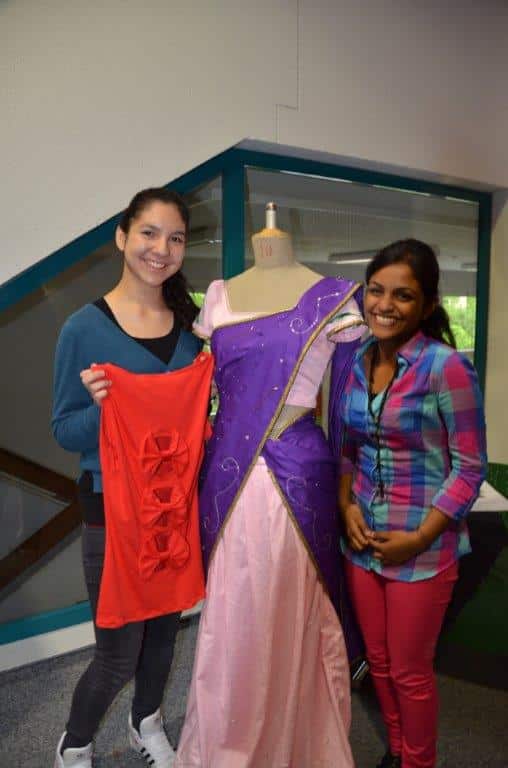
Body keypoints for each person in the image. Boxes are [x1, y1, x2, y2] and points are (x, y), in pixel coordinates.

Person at [175, 204, 366, 768]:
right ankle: (226, 745)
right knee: (233, 612)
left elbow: (347, 407)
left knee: (288, 607)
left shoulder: (333, 299)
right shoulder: (218, 297)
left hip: (297, 475)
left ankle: (296, 743)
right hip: (229, 475)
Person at [52, 187, 205, 768]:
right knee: (118, 651)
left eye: (175, 238)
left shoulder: (192, 332)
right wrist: (104, 411)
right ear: (121, 237)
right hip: (110, 509)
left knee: (163, 638)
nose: (161, 249)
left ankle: (147, 724)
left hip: (172, 508)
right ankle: (74, 743)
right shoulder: (82, 329)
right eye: (148, 233)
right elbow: (64, 431)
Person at [338, 239, 487, 768]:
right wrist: (347, 507)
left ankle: (418, 761)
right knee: (377, 662)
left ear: (426, 306)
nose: (384, 304)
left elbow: (470, 467)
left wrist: (420, 537)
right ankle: (399, 751)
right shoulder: (357, 361)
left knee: (409, 671)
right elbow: (350, 447)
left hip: (422, 548)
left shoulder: (445, 367)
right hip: (363, 542)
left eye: (402, 295)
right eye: (376, 290)